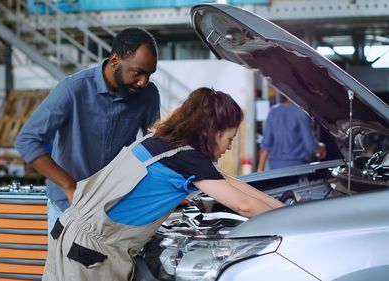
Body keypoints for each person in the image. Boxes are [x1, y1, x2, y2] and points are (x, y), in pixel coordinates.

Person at [42, 87, 284, 281]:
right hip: (90, 253)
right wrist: (287, 223)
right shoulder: (187, 159)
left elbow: (227, 181)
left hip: (70, 234)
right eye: (229, 138)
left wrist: (280, 208)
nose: (229, 147)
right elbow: (244, 206)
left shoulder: (163, 142)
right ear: (213, 130)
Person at [15, 27, 161, 233]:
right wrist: (68, 186)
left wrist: (164, 191)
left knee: (116, 266)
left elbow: (155, 144)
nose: (143, 82)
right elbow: (27, 140)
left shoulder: (148, 94)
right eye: (138, 73)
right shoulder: (72, 90)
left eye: (149, 75)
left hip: (114, 206)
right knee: (65, 266)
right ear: (115, 61)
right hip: (68, 209)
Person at [257, 96, 326, 172]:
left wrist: (260, 170)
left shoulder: (273, 111)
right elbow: (310, 145)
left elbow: (265, 144)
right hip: (297, 166)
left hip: (275, 168)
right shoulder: (301, 112)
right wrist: (321, 147)